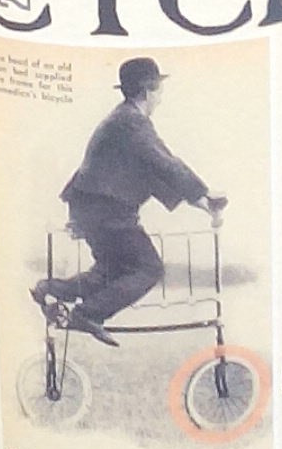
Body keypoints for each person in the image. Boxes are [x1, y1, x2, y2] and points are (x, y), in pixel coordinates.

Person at [34, 58, 226, 342]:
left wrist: (203, 205)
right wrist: (205, 193)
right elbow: (166, 164)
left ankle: (50, 289)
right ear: (148, 91)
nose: (161, 98)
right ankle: (87, 314)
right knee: (149, 268)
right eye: (159, 91)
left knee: (110, 273)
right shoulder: (132, 122)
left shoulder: (123, 121)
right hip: (106, 211)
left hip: (92, 208)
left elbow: (155, 176)